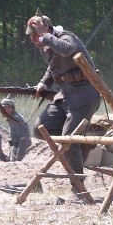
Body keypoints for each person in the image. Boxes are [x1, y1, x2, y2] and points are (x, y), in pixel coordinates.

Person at [26, 12, 101, 195]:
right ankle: (80, 140)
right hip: (66, 96)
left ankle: (78, 187)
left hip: (85, 96)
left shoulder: (65, 37)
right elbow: (53, 67)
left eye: (35, 34)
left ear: (46, 29)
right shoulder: (47, 45)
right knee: (39, 128)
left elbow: (66, 49)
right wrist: (44, 83)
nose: (33, 39)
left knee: (68, 141)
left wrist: (45, 36)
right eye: (32, 36)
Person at [0, 98, 32, 162]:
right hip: (15, 148)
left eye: (3, 108)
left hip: (20, 151)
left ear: (10, 108)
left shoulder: (16, 119)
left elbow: (24, 139)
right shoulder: (12, 119)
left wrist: (19, 157)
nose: (1, 111)